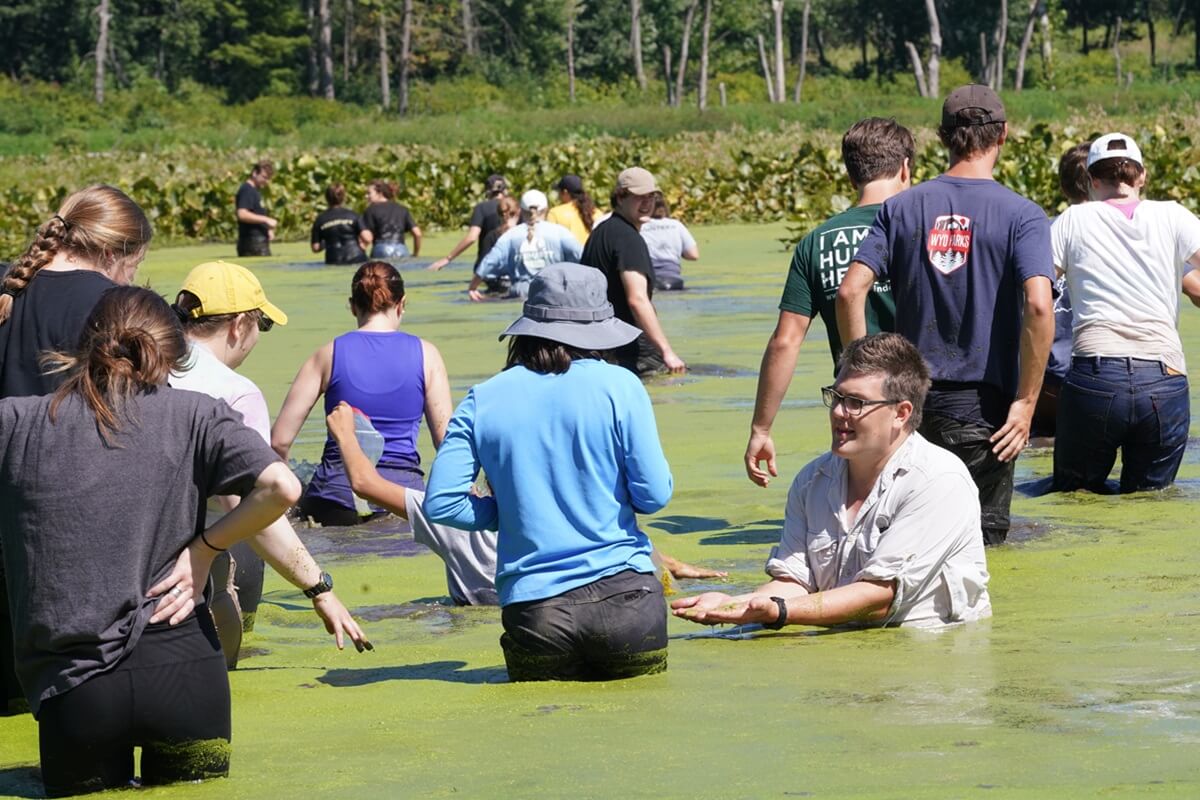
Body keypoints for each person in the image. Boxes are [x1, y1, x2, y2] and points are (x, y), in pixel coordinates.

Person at [0, 286, 358, 797]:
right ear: (171, 355)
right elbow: (282, 486)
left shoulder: (19, 421)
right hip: (188, 675)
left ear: (89, 346)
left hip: (77, 689)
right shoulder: (197, 413)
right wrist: (207, 547)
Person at [424, 263, 674, 681]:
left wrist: (506, 511)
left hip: (536, 615)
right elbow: (654, 496)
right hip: (630, 604)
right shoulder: (622, 385)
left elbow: (441, 502)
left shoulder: (482, 399)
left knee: (537, 729)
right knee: (640, 737)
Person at [836, 84, 1055, 546]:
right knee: (980, 548)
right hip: (982, 412)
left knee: (904, 542)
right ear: (1004, 135)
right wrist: (1028, 402)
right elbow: (1038, 302)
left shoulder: (899, 208)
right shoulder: (1024, 215)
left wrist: (869, 380)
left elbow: (850, 291)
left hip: (907, 408)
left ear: (942, 137)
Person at [673, 333, 991, 630]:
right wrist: (735, 604)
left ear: (901, 413)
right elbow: (795, 582)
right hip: (836, 663)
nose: (839, 412)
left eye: (856, 402)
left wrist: (780, 612)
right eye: (836, 396)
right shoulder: (812, 480)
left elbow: (879, 598)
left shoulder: (938, 481)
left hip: (928, 665)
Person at [326, 402, 726, 607]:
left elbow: (365, 484)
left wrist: (345, 434)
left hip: (494, 613)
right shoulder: (558, 505)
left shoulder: (455, 523)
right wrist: (672, 564)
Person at [0, 185, 152, 716]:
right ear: (115, 253)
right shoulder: (115, 306)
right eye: (134, 264)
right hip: (71, 537)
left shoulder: (9, 285)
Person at [169, 261, 367, 668]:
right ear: (240, 324)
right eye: (262, 324)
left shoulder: (136, 364)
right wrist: (318, 588)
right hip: (190, 579)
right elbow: (251, 508)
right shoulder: (235, 394)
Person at [745, 117, 913, 488]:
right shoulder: (923, 227)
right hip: (919, 403)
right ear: (905, 168)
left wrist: (761, 428)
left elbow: (786, 341)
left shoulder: (816, 242)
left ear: (851, 176)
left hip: (855, 408)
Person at [1050, 133, 1200, 493]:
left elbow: (1037, 289)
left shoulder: (1073, 219)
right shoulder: (1174, 216)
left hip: (1095, 377)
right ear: (1142, 176)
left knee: (1074, 500)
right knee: (1149, 504)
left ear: (1091, 181)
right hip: (1164, 378)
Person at [272, 261, 452, 526]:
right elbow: (447, 444)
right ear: (402, 303)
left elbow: (279, 442)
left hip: (332, 500)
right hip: (402, 502)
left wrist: (288, 497)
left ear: (353, 305)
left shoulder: (327, 355)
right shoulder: (428, 355)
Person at [581, 167, 686, 376]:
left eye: (651, 197)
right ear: (620, 197)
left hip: (597, 347)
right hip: (629, 349)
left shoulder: (601, 232)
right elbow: (637, 299)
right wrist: (667, 351)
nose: (647, 204)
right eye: (639, 197)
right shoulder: (629, 239)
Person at [1031, 142, 1089, 440]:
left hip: (1045, 388)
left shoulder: (1042, 232)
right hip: (1103, 382)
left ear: (1064, 187)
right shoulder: (1131, 231)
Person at [468, 190, 582, 301]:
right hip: (555, 292)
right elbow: (580, 255)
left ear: (521, 211)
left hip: (520, 293)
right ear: (546, 209)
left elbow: (490, 261)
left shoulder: (510, 235)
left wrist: (473, 286)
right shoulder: (560, 232)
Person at [429, 174, 508, 272]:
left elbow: (472, 238)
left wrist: (447, 259)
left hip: (485, 268)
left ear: (487, 192)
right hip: (511, 268)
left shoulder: (481, 208)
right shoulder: (516, 209)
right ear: (505, 191)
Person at [639, 193, 699, 291]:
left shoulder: (639, 226)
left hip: (651, 281)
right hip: (674, 280)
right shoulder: (676, 225)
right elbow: (693, 255)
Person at [359, 179, 421, 259]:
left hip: (380, 250)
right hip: (401, 250)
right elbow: (417, 233)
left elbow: (367, 238)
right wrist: (415, 254)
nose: (366, 196)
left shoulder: (370, 210)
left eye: (369, 193)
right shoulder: (402, 209)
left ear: (380, 193)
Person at [310, 182, 367, 265]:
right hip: (357, 256)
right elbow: (367, 237)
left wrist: (327, 242)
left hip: (333, 259)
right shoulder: (353, 215)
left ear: (326, 198)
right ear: (344, 197)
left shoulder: (320, 219)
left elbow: (315, 248)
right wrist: (362, 244)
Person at [476, 195, 521, 295]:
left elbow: (483, 267)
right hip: (522, 284)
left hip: (497, 286)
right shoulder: (527, 233)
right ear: (519, 212)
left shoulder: (491, 237)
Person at [235, 160, 277, 257]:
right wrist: (266, 220)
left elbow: (256, 213)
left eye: (268, 179)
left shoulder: (255, 191)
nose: (266, 182)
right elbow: (242, 214)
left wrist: (268, 230)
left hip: (260, 241)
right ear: (254, 173)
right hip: (251, 242)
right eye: (264, 177)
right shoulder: (246, 190)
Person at [546, 174, 600, 245]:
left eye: (560, 193)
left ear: (565, 192)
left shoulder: (554, 213)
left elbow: (550, 242)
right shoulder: (597, 213)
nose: (559, 196)